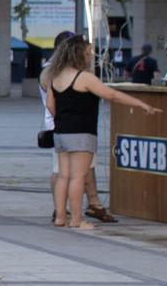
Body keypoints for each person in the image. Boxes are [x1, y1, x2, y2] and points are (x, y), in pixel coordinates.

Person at [44, 33, 157, 231]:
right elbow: (111, 95)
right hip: (82, 133)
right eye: (88, 53)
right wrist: (141, 104)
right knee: (78, 177)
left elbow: (50, 106)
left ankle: (60, 217)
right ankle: (78, 220)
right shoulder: (85, 77)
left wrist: (63, 118)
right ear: (80, 55)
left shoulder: (56, 77)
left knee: (63, 176)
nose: (91, 56)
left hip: (61, 132)